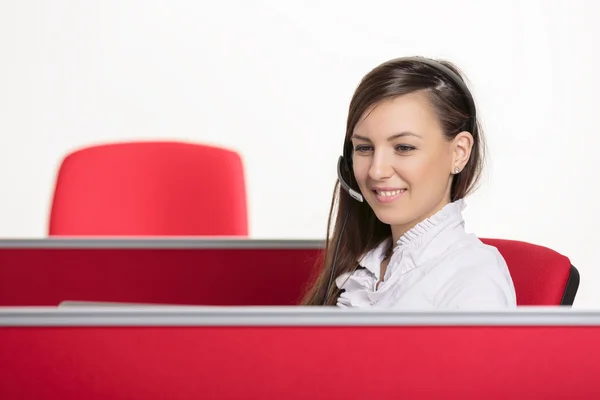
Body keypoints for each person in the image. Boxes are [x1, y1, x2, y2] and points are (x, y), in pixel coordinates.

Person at [301, 56, 517, 308]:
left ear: (459, 152)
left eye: (404, 147)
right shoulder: (362, 268)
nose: (376, 170)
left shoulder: (474, 280)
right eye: (364, 148)